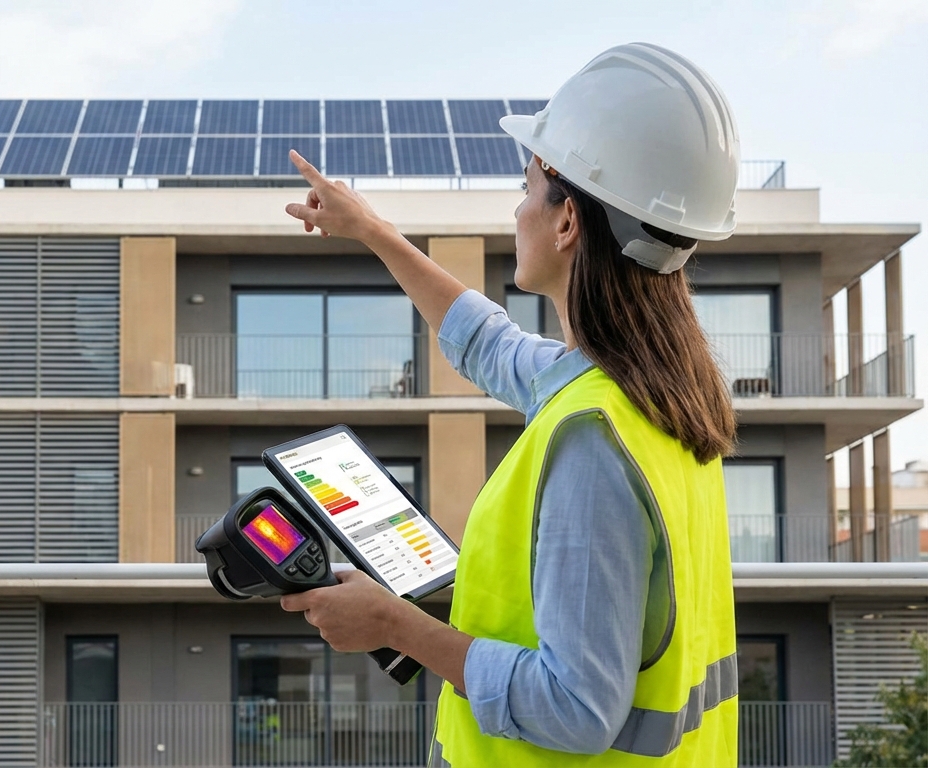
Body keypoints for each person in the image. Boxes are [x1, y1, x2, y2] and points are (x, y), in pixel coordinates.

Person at [277, 43, 740, 766]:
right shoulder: (648, 399)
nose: (516, 207)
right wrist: (372, 231)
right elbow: (487, 341)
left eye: (527, 186)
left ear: (566, 224)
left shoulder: (591, 438)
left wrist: (395, 626)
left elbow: (577, 709)